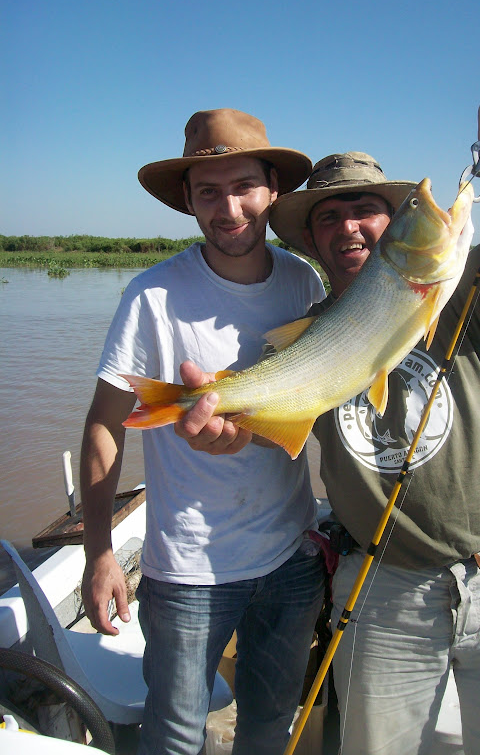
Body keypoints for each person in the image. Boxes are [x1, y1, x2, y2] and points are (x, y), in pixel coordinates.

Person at [178, 43, 480, 754]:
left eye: (368, 210)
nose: (349, 225)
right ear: (314, 242)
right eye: (329, 218)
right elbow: (272, 428)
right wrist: (220, 428)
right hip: (379, 589)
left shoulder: (456, 292)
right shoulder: (303, 336)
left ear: (390, 227)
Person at [80, 108, 326, 755]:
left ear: (273, 189)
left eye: (244, 185)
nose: (229, 208)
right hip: (186, 572)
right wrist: (100, 551)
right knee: (175, 737)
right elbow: (105, 426)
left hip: (291, 560)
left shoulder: (304, 282)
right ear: (187, 200)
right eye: (208, 192)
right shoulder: (152, 297)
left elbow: (317, 397)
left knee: (270, 728)